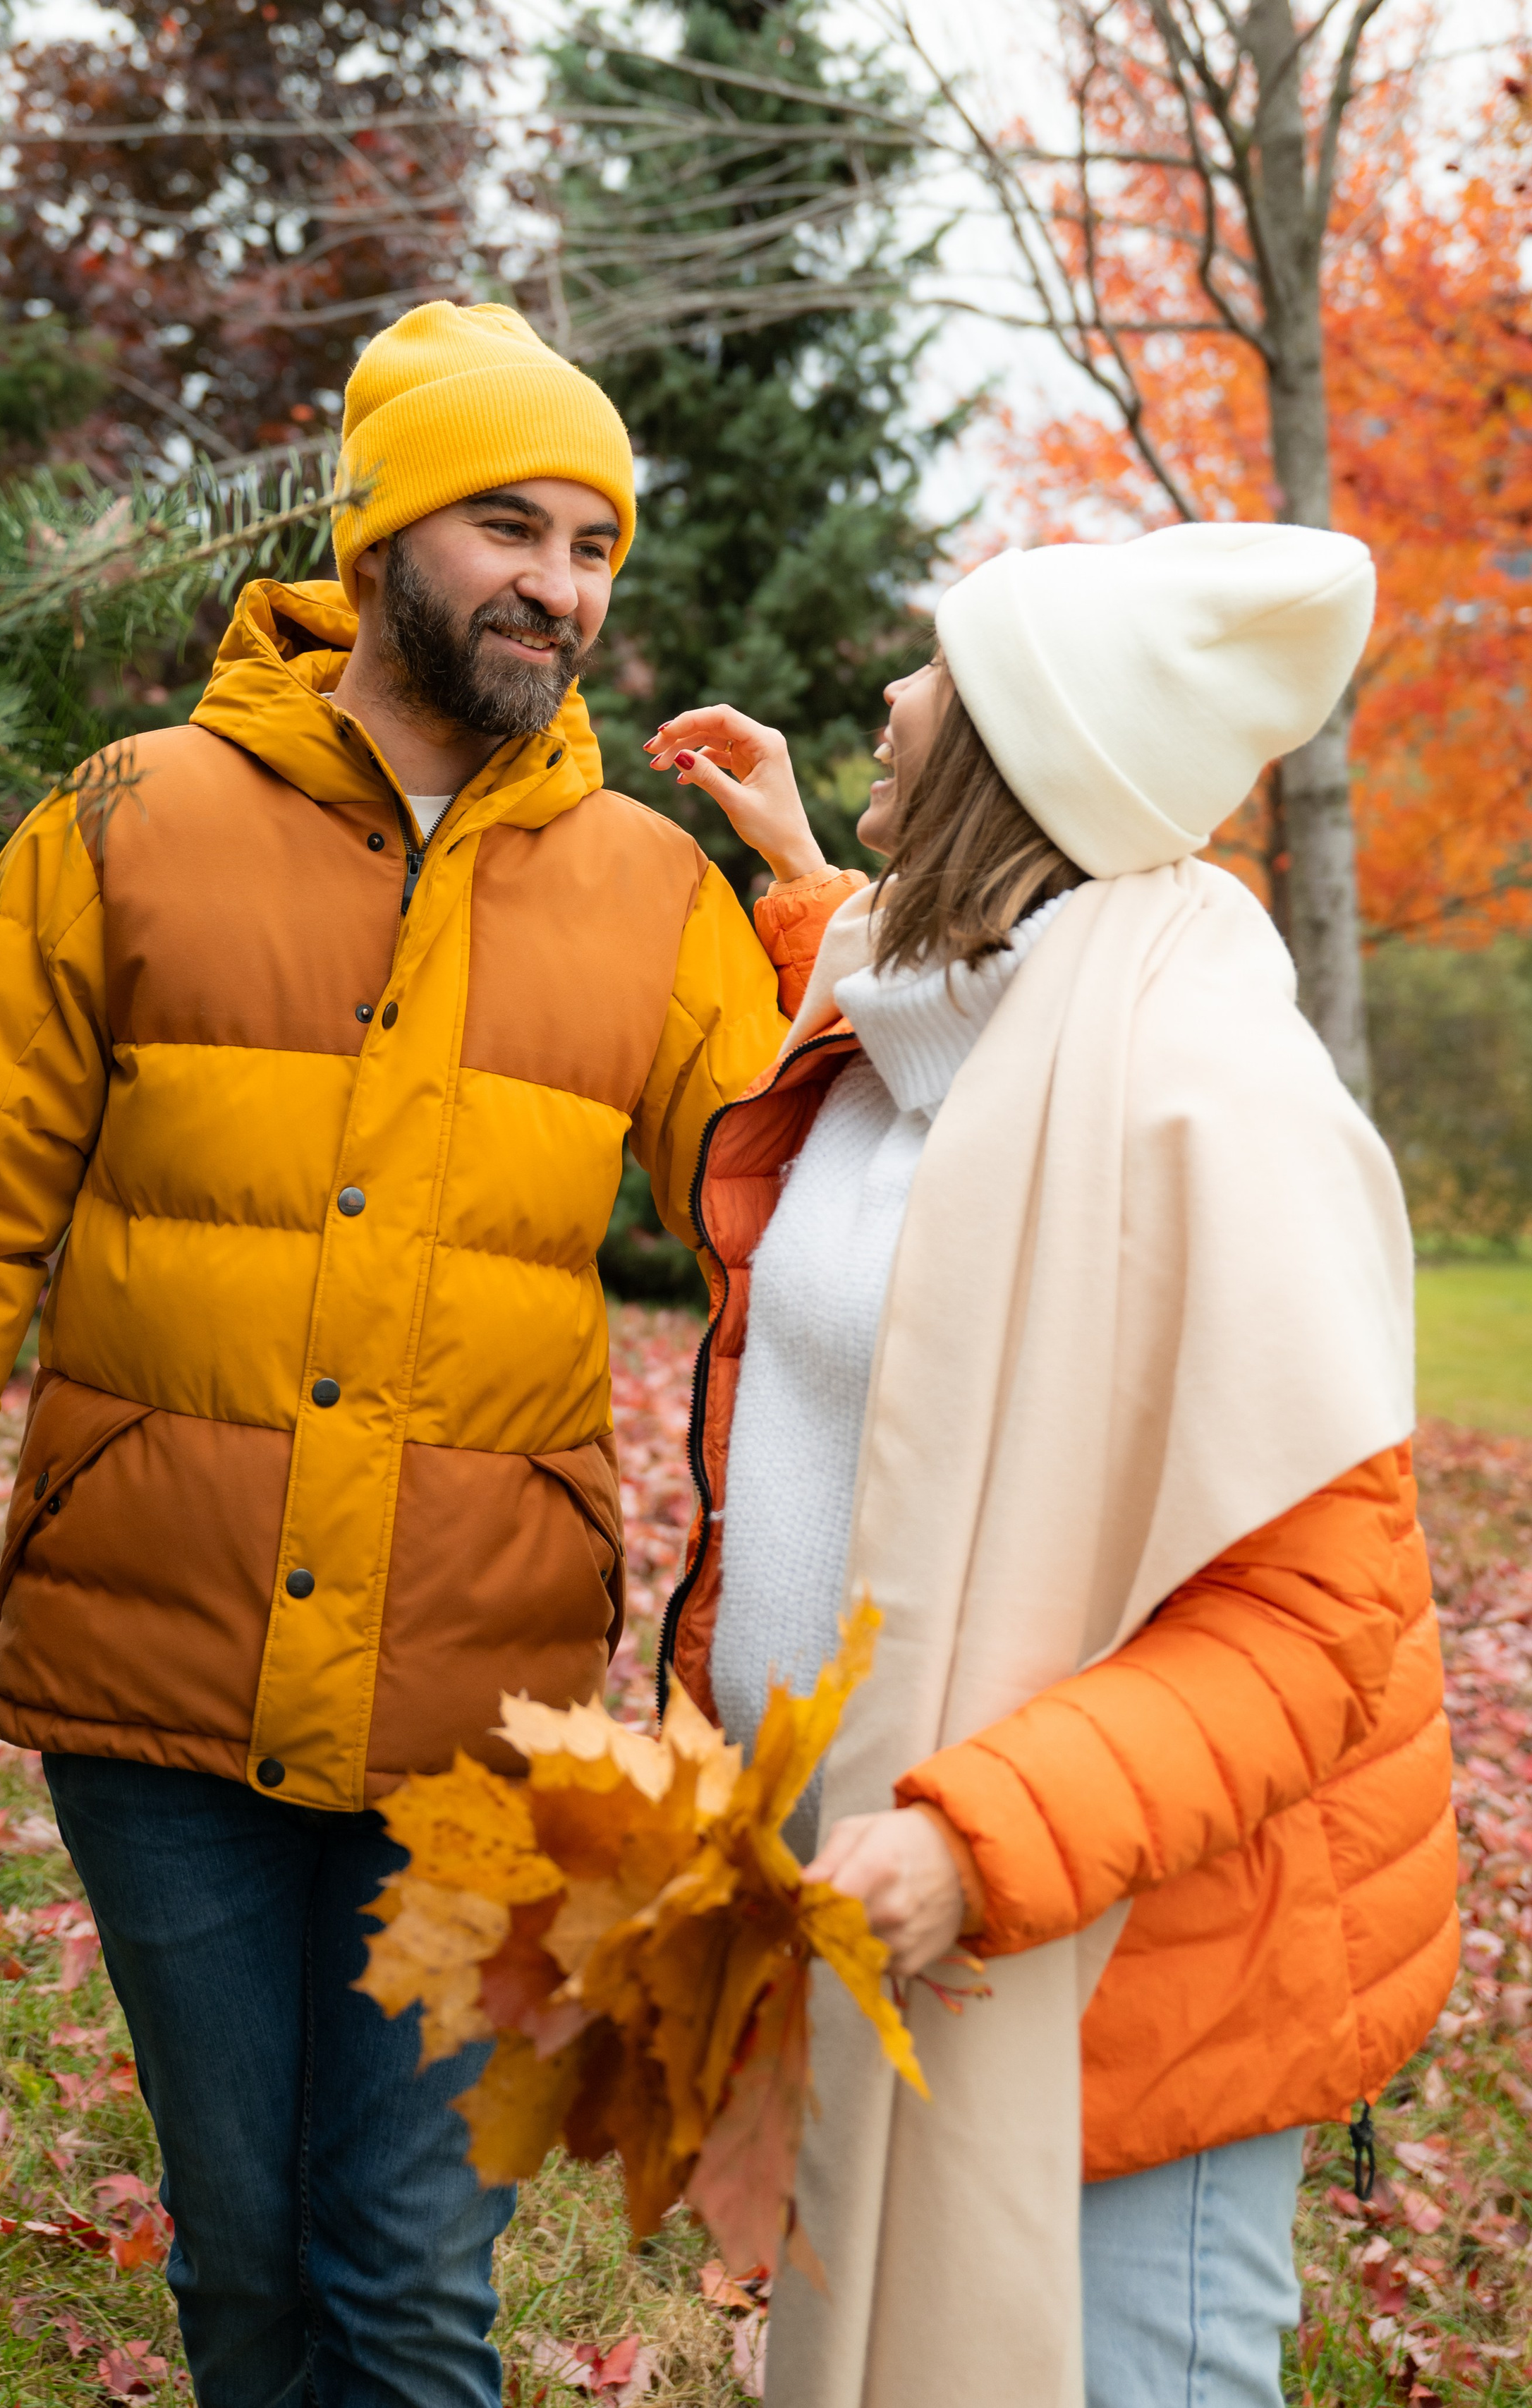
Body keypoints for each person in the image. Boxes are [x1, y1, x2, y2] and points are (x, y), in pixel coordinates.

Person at [0, 301, 861, 2408]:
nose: (562, 583)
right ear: (375, 545)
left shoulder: (648, 889)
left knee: (405, 2282)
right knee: (252, 2263)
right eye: (512, 527)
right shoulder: (125, 821)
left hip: (482, 1687)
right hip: (154, 1668)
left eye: (598, 544)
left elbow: (817, 1189)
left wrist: (809, 905)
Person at [651, 522, 1457, 2407]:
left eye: (937, 672)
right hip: (892, 1911)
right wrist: (797, 872)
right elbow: (934, 1059)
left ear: (1020, 754)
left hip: (1135, 1946)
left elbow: (1310, 1627)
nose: (887, 692)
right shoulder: (937, 1016)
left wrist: (970, 1839)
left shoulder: (1208, 1097)